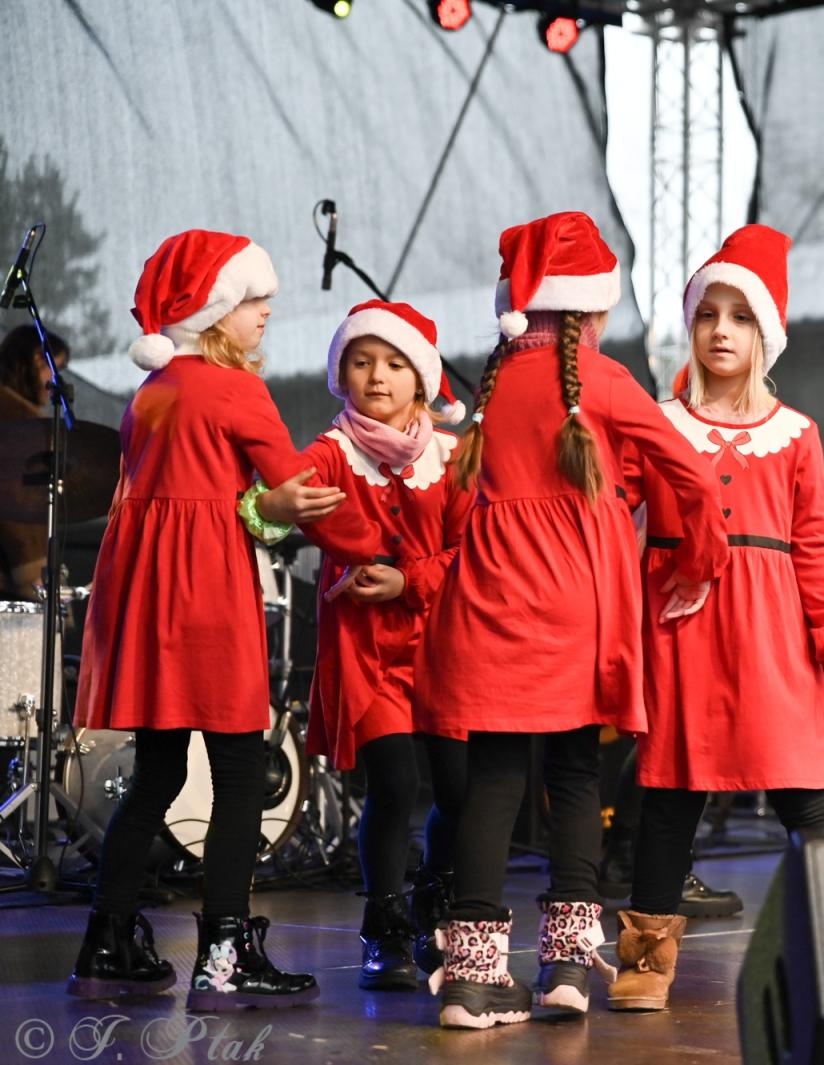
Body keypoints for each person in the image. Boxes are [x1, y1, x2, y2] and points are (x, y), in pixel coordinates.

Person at [417, 212, 728, 1029]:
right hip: (575, 605)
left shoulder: (490, 387)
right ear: (592, 312)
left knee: (492, 782)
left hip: (488, 602)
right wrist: (696, 567)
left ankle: (474, 981)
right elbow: (691, 481)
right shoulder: (607, 380)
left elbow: (451, 508)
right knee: (577, 779)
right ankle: (564, 969)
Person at [67, 230, 383, 1009]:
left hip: (147, 597)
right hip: (205, 591)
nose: (266, 310)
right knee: (241, 770)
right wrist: (382, 543)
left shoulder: (155, 391)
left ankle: (106, 940)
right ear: (211, 310)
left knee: (159, 771)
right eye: (252, 299)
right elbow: (305, 491)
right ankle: (224, 955)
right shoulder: (232, 388)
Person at [613, 224, 824, 1012]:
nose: (721, 330)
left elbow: (816, 547)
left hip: (772, 631)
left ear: (767, 333)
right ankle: (647, 961)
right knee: (669, 793)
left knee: (803, 790)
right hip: (682, 628)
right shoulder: (657, 421)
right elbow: (608, 514)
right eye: (707, 314)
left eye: (740, 315)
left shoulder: (797, 435)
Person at [250, 300, 473, 988]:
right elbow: (267, 500)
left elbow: (475, 553)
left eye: (394, 362)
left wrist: (409, 578)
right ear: (340, 373)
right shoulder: (332, 452)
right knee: (396, 782)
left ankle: (436, 897)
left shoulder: (455, 456)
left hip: (444, 646)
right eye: (361, 360)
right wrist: (267, 505)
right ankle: (386, 927)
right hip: (368, 651)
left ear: (425, 378)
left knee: (462, 791)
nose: (377, 375)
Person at [0, 324, 68, 598]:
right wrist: (35, 581)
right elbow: (20, 516)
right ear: (34, 361)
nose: (54, 381)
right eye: (53, 368)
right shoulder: (20, 423)